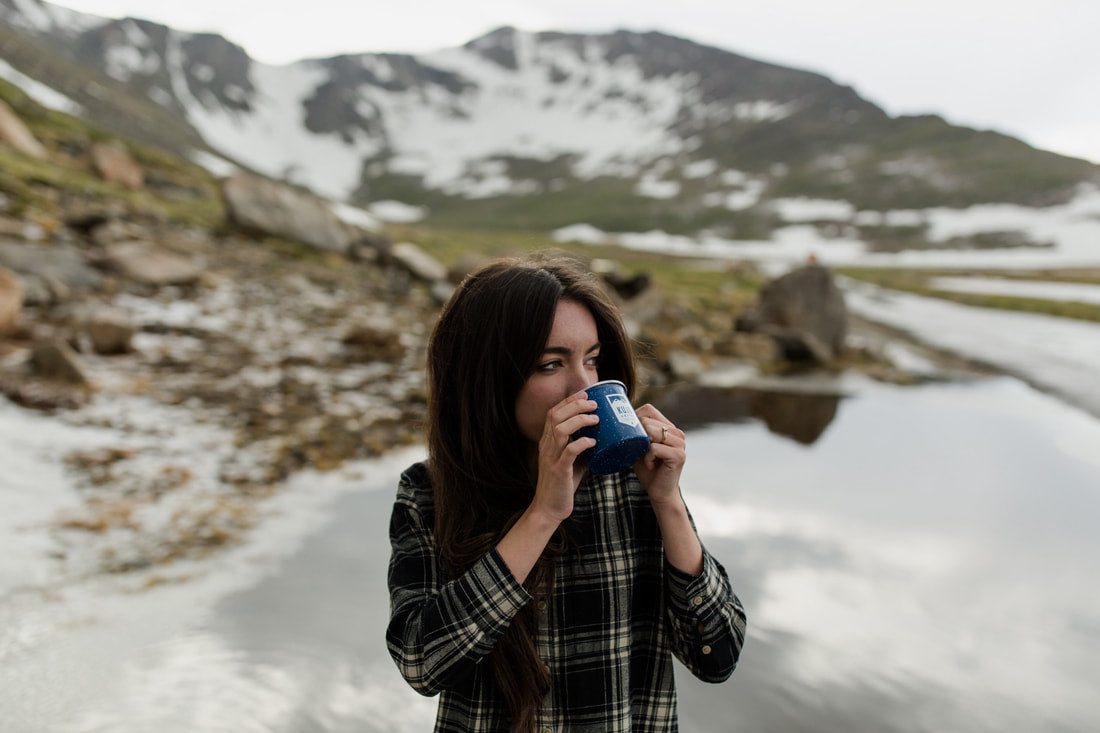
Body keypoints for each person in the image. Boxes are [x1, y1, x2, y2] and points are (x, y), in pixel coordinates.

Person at [386, 254, 747, 732]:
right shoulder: (430, 491)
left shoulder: (632, 482)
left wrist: (668, 503)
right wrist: (542, 514)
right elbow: (421, 663)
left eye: (593, 360)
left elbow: (716, 656)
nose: (583, 386)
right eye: (550, 364)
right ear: (488, 378)